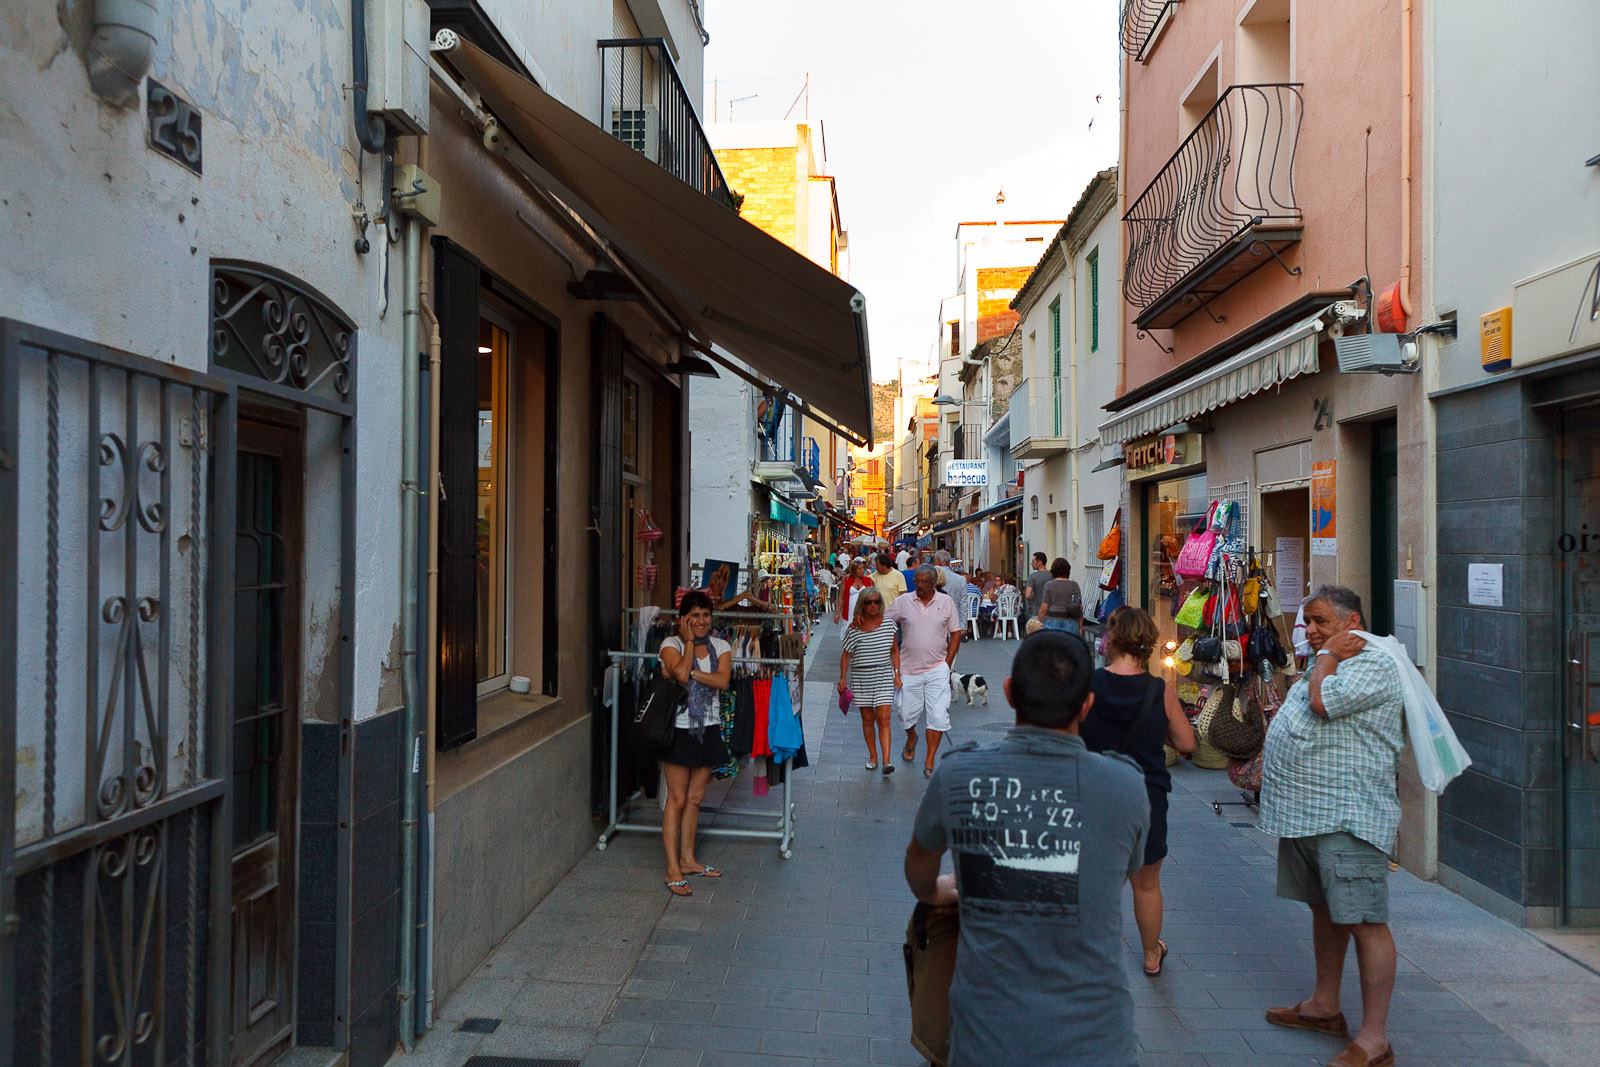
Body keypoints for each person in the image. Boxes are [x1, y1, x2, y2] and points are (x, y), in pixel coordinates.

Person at [905, 631, 1150, 1066]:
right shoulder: (1126, 786)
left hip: (989, 1039)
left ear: (1008, 693)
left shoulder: (959, 776)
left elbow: (919, 874)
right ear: (1087, 706)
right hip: (1098, 1041)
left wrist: (945, 889)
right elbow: (1116, 872)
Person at [1259, 585, 1405, 1067]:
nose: (1312, 630)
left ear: (1352, 622)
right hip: (1310, 813)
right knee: (1325, 910)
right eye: (1308, 622)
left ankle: (1374, 1040)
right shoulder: (1330, 658)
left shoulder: (1375, 663)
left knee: (1364, 920)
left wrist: (1323, 661)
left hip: (1349, 816)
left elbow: (1323, 703)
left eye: (1320, 620)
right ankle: (1324, 1007)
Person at [1083, 607, 1196, 977]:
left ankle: (1102, 954)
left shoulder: (1089, 684)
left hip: (1098, 793)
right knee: (1147, 884)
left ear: (1111, 639)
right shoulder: (1159, 690)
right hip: (1146, 796)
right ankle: (1151, 955)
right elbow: (1187, 743)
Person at [656, 590, 731, 896]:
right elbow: (682, 670)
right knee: (676, 799)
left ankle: (688, 859)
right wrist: (688, 644)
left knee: (695, 798)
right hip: (679, 728)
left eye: (705, 615)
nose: (701, 621)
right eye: (695, 616)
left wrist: (689, 674)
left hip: (709, 727)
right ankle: (672, 867)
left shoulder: (721, 645)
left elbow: (723, 681)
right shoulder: (670, 644)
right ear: (683, 619)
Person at [886, 564, 963, 777]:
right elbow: (884, 621)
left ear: (934, 583)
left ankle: (929, 760)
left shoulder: (946, 602)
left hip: (938, 668)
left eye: (924, 582)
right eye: (916, 581)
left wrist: (947, 663)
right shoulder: (904, 602)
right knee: (904, 713)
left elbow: (955, 633)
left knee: (937, 715)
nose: (919, 585)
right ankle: (912, 737)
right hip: (909, 669)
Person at [838, 588, 900, 774]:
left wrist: (897, 673)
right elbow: (846, 654)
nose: (873, 605)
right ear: (862, 605)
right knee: (867, 718)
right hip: (861, 677)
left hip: (883, 675)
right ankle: (873, 757)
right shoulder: (854, 628)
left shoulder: (889, 625)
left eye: (876, 602)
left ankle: (887, 761)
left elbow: (894, 650)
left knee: (884, 718)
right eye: (869, 602)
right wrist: (843, 677)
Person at [1036, 557, 1084, 634]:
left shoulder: (1049, 585)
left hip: (1052, 621)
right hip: (1071, 622)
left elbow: (1044, 608)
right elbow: (1079, 608)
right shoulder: (1074, 585)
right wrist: (1080, 627)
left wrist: (1038, 622)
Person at [835, 558, 872, 638]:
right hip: (849, 613)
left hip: (864, 613)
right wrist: (837, 613)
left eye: (863, 568)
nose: (862, 570)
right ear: (854, 570)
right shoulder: (846, 580)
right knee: (848, 637)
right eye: (860, 569)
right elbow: (841, 598)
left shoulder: (868, 580)